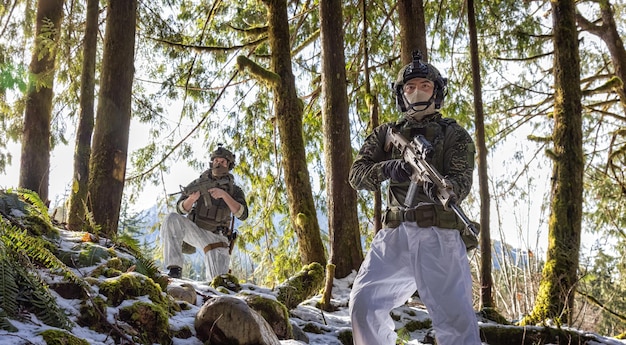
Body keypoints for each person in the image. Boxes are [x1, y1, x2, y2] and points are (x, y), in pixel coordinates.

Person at [348, 51, 481, 345]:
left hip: (439, 235)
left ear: (437, 92)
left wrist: (442, 187)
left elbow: (461, 182)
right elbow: (356, 176)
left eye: (425, 86)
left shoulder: (454, 135)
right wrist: (389, 168)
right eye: (410, 87)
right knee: (363, 306)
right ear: (401, 95)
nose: (417, 91)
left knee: (456, 323)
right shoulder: (386, 134)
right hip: (394, 235)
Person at [161, 144, 248, 281]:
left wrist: (224, 195)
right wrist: (191, 199)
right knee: (171, 218)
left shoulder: (234, 190)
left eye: (223, 162)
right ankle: (174, 269)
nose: (218, 164)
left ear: (229, 165)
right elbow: (180, 209)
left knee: (217, 284)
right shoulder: (198, 183)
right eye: (216, 161)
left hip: (218, 237)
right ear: (211, 162)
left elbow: (242, 214)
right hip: (196, 231)